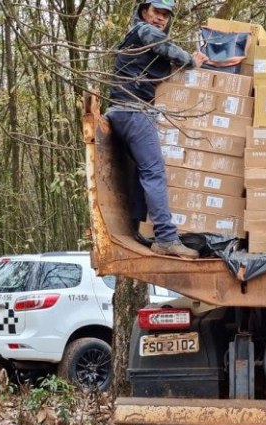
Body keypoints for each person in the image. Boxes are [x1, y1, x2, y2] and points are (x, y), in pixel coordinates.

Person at [105, 0, 208, 259]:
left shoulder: (137, 43)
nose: (160, 19)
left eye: (165, 15)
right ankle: (166, 238)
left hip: (124, 111)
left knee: (142, 171)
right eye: (156, 12)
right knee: (154, 173)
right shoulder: (143, 32)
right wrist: (191, 61)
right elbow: (167, 48)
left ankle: (140, 230)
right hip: (134, 111)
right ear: (144, 12)